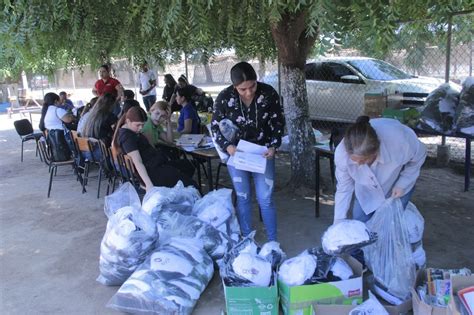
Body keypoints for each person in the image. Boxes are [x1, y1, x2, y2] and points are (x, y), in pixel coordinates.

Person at [211, 61, 285, 241]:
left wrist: (274, 145)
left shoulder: (268, 93)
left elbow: (278, 123)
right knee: (243, 197)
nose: (249, 92)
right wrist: (227, 146)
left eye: (252, 86)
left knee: (265, 199)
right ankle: (246, 239)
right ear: (235, 87)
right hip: (238, 155)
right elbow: (215, 127)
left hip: (263, 153)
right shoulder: (224, 97)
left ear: (256, 80)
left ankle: (272, 241)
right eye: (242, 89)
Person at [333, 116, 427, 224]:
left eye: (363, 161)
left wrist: (403, 183)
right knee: (360, 223)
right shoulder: (342, 154)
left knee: (391, 225)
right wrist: (338, 221)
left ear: (375, 152)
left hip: (396, 186)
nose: (358, 165)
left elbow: (419, 156)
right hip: (365, 188)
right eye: (354, 160)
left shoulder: (400, 142)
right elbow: (344, 188)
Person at [112, 106, 196, 191]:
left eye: (143, 125)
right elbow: (138, 162)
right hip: (153, 172)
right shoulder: (127, 137)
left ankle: (176, 191)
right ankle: (177, 190)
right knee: (191, 184)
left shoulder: (129, 131)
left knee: (189, 166)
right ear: (128, 121)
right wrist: (149, 185)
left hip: (156, 165)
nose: (141, 128)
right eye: (138, 125)